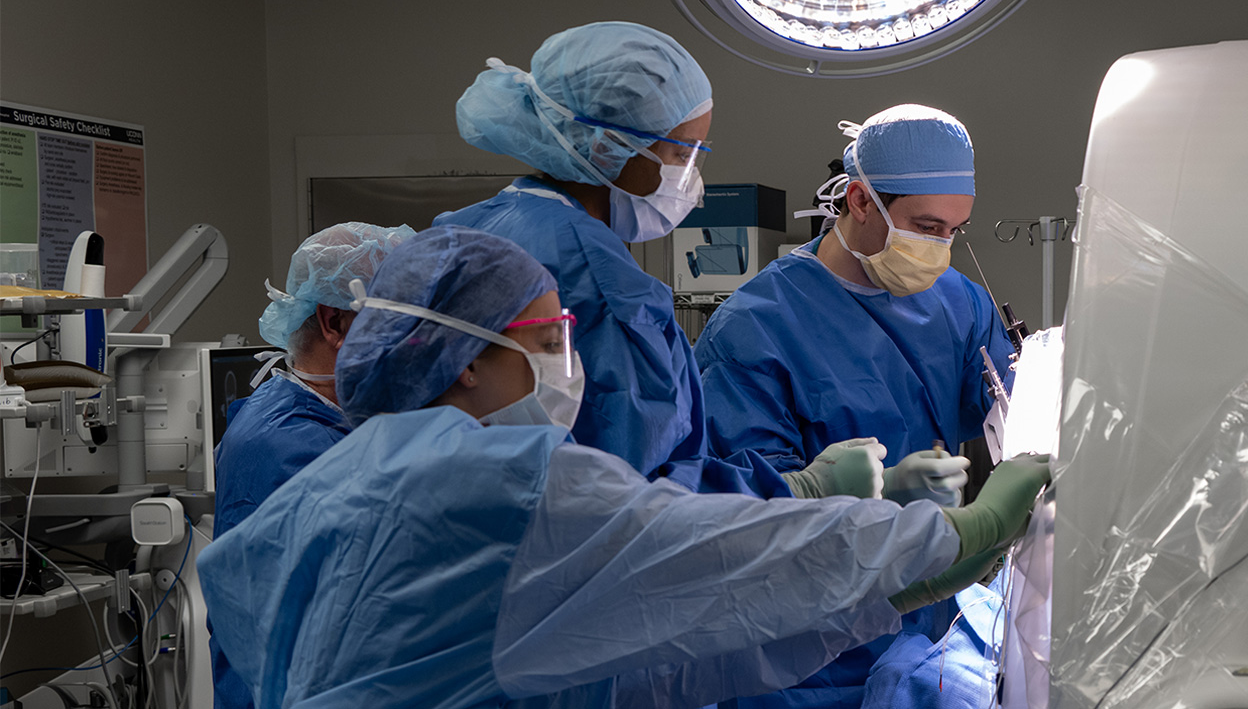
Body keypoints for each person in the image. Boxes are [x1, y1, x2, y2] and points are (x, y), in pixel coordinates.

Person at [196, 225, 1051, 708]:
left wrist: (875, 593)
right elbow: (722, 553)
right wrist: (950, 537)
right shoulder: (495, 482)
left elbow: (637, 659)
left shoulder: (349, 473)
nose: (569, 365)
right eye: (546, 340)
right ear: (466, 362)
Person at [694, 105, 1018, 707]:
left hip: (925, 611)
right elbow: (749, 512)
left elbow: (1005, 400)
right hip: (808, 644)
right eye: (926, 226)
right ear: (861, 200)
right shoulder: (755, 327)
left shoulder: (958, 301)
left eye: (954, 230)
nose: (939, 248)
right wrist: (879, 493)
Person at [436, 21, 804, 499]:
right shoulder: (604, 282)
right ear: (606, 146)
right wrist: (796, 490)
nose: (691, 178)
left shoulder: (463, 227)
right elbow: (641, 492)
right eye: (682, 153)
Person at [208, 221, 413, 709]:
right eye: (398, 320)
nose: (414, 341)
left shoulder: (324, 418)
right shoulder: (288, 447)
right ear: (334, 322)